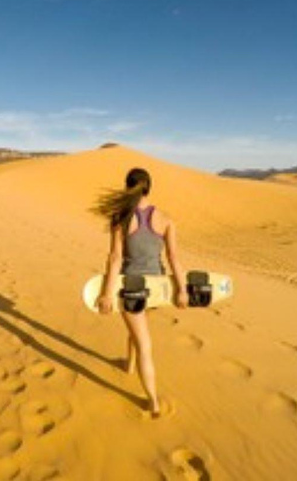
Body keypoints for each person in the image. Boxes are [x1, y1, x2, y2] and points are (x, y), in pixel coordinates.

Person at [93, 167, 188, 417]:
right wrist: (181, 289)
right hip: (157, 289)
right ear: (149, 187)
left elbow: (115, 259)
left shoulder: (121, 218)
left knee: (144, 343)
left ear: (128, 187)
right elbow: (174, 257)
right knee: (138, 329)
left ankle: (153, 402)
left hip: (132, 289)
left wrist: (106, 294)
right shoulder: (166, 219)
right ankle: (129, 365)